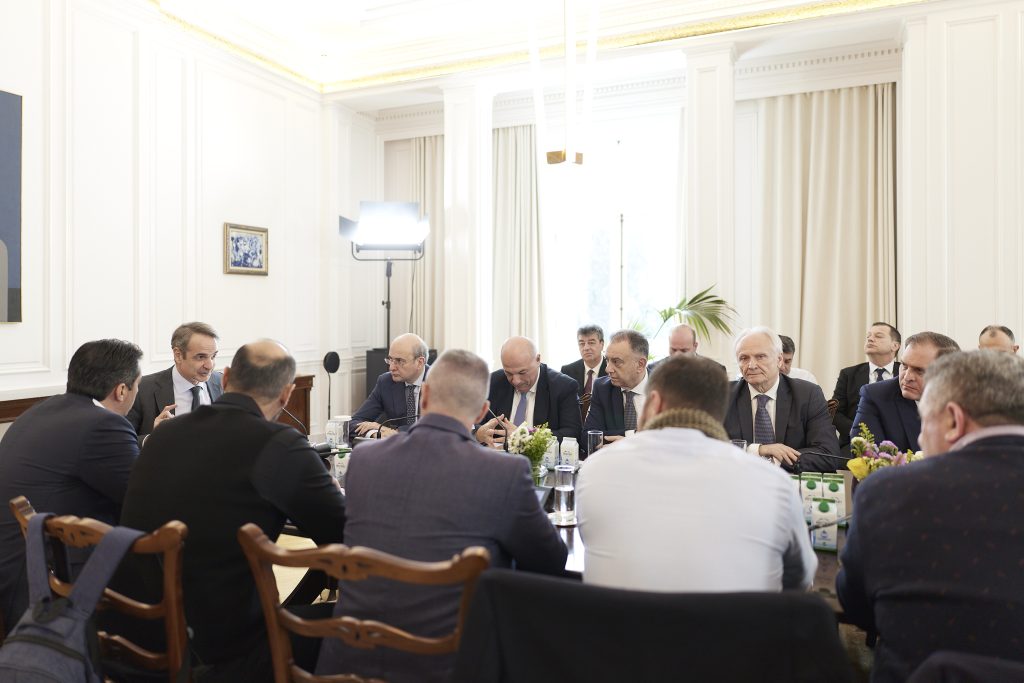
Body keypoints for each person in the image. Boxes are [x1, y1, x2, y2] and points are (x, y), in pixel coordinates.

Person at [316, 349, 567, 683]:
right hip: (447, 666)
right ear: (481, 411)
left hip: (350, 660)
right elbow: (551, 560)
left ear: (425, 397)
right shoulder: (504, 473)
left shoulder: (364, 461)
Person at [117, 340, 346, 683]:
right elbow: (344, 533)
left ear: (224, 379)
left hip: (137, 633)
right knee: (370, 626)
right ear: (286, 394)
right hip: (222, 653)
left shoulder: (163, 434)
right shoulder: (280, 445)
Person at [837, 350, 1024, 683]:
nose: (922, 438)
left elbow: (856, 606)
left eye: (925, 421)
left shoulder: (889, 492)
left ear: (953, 421)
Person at [577, 355, 816, 592]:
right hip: (733, 616)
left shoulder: (595, 470)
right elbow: (801, 578)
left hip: (616, 616)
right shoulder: (773, 484)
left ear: (652, 404)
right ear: (721, 411)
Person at [0, 339, 142, 630]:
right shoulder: (104, 425)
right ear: (122, 390)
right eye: (137, 386)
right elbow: (141, 498)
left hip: (17, 560)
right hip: (49, 583)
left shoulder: (43, 409)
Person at [723, 327, 840, 472]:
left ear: (779, 360)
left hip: (789, 480)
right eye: (744, 358)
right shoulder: (723, 395)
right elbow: (707, 447)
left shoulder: (808, 394)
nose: (751, 365)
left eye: (760, 357)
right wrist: (759, 450)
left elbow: (828, 454)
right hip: (738, 478)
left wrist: (776, 459)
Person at [850, 331, 960, 451]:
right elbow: (865, 453)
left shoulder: (967, 400)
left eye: (919, 371)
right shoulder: (876, 396)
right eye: (904, 366)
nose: (907, 377)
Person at [474, 336, 580, 447]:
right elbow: (471, 423)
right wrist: (478, 433)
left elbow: (572, 434)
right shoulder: (492, 382)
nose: (516, 381)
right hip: (497, 455)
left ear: (538, 359)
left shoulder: (563, 386)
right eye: (508, 373)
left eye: (522, 372)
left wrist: (525, 436)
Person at [126, 321, 223, 440]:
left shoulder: (223, 382)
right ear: (178, 355)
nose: (210, 365)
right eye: (201, 357)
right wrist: (153, 438)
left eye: (213, 356)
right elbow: (121, 441)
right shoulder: (141, 388)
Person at [831, 322, 902, 449]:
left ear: (895, 346)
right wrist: (858, 432)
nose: (870, 339)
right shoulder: (848, 374)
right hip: (855, 443)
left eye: (878, 336)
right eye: (868, 336)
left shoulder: (905, 373)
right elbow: (835, 412)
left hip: (899, 443)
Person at [350, 333, 429, 440]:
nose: (391, 367)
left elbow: (435, 427)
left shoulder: (439, 383)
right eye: (390, 359)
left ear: (420, 362)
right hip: (396, 448)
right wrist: (376, 433)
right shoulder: (386, 382)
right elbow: (354, 423)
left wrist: (394, 432)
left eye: (399, 361)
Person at [583, 329, 649, 442]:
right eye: (607, 360)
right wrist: (635, 436)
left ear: (640, 364)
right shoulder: (602, 388)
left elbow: (670, 438)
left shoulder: (666, 389)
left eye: (616, 362)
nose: (607, 369)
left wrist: (628, 439)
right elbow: (588, 437)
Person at [648, 323, 726, 373]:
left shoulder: (716, 371)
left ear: (695, 346)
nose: (677, 355)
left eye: (684, 350)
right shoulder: (653, 369)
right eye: (673, 350)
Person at [559, 324, 607, 396]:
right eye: (582, 343)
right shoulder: (567, 372)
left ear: (602, 344)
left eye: (591, 343)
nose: (586, 348)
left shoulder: (612, 370)